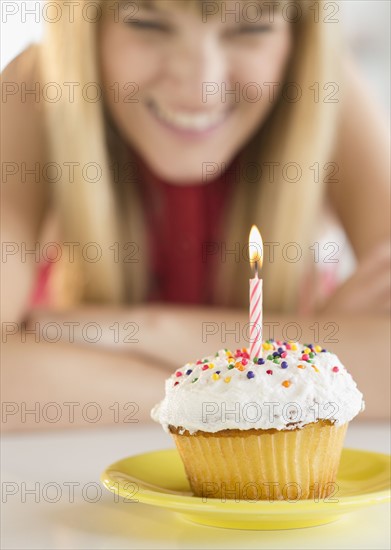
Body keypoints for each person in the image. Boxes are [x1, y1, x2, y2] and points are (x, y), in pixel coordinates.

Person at [2, 0, 390, 431]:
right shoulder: (35, 87)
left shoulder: (323, 86)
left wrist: (140, 331)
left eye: (250, 29)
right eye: (147, 23)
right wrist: (299, 362)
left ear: (298, 35)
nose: (200, 86)